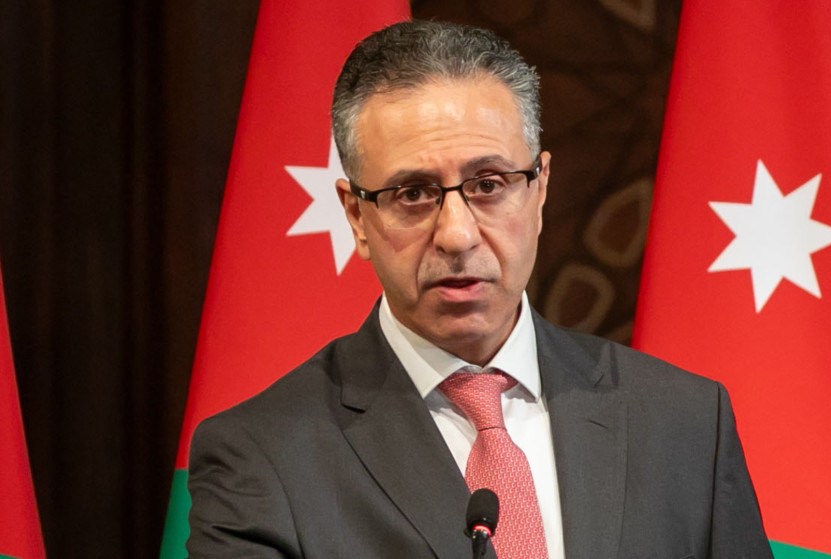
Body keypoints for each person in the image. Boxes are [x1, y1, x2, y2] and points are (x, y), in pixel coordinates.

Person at [187, 20, 772, 559]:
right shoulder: (259, 458)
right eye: (413, 194)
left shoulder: (687, 425)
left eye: (489, 184)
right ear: (357, 216)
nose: (457, 234)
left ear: (539, 190)